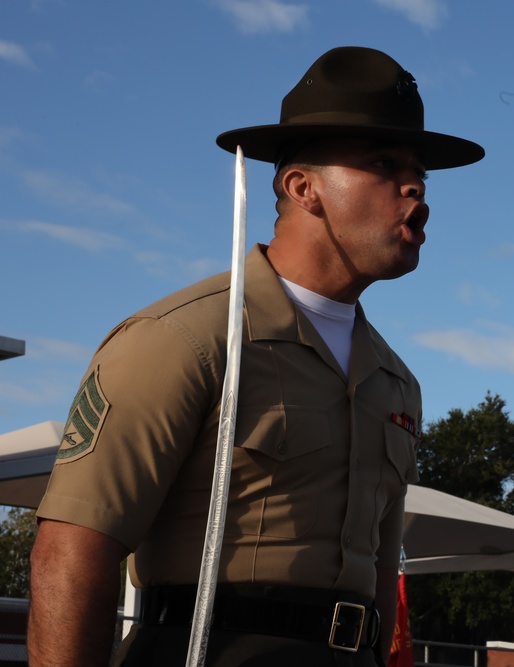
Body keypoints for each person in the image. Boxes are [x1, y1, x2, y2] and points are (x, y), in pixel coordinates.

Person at [27, 46, 484, 667]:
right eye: (384, 163)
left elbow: (378, 574)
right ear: (303, 188)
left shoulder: (395, 382)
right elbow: (74, 547)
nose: (414, 187)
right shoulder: (183, 338)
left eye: (420, 173)